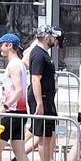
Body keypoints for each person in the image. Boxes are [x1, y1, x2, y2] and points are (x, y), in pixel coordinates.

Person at [27, 25, 61, 161]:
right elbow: (35, 79)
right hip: (41, 100)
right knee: (43, 137)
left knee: (47, 135)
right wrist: (39, 103)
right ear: (47, 38)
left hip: (47, 99)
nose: (54, 39)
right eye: (53, 37)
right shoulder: (38, 54)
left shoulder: (44, 53)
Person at [0, 32, 29, 161]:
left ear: (9, 45)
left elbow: (19, 90)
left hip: (11, 113)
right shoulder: (19, 64)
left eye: (1, 45)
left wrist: (5, 107)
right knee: (19, 152)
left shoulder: (14, 65)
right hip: (19, 112)